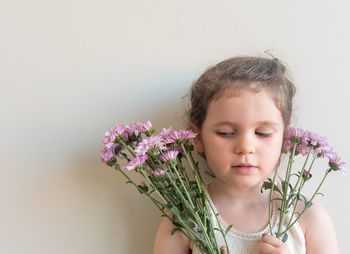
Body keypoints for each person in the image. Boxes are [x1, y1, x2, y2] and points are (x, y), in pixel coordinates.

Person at [153, 56, 339, 254]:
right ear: (197, 138)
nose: (245, 147)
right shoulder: (184, 218)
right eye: (226, 133)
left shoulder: (308, 216)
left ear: (286, 139)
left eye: (263, 133)